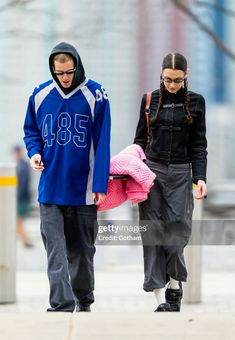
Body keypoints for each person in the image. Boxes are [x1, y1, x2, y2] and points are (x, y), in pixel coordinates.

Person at [23, 42, 111, 312]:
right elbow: (31, 131)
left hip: (83, 190)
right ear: (52, 68)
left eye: (69, 72)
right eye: (59, 72)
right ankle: (61, 305)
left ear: (77, 66)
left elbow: (102, 142)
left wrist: (100, 185)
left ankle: (83, 299)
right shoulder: (39, 94)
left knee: (83, 251)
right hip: (49, 188)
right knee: (56, 251)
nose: (64, 77)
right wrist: (34, 153)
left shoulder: (96, 95)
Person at [134, 53, 207, 312]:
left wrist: (200, 178)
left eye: (177, 80)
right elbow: (139, 142)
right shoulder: (149, 100)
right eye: (167, 79)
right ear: (161, 75)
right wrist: (132, 173)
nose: (172, 85)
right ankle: (160, 299)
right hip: (150, 174)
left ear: (185, 77)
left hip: (180, 174)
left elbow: (198, 145)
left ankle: (174, 286)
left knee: (177, 235)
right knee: (153, 234)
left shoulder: (197, 102)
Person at [13, 145, 33, 248]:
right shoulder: (18, 165)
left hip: (22, 198)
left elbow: (24, 183)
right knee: (18, 220)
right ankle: (24, 240)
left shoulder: (23, 165)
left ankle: (25, 241)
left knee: (18, 220)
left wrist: (17, 197)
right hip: (20, 197)